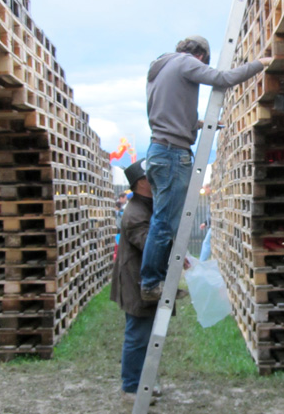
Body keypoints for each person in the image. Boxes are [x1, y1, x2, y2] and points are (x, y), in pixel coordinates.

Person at [140, 35, 272, 301]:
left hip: (159, 150)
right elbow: (222, 79)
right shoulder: (186, 63)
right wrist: (260, 63)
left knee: (165, 221)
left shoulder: (160, 68)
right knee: (165, 223)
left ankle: (158, 279)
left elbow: (171, 112)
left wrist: (203, 124)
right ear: (200, 56)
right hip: (172, 154)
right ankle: (151, 282)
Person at [110, 159, 159, 404]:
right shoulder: (136, 213)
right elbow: (150, 245)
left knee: (150, 335)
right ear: (142, 182)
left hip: (142, 280)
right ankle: (130, 388)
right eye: (152, 175)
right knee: (138, 335)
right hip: (135, 282)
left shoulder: (147, 206)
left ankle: (145, 381)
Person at [199, 184, 212, 262]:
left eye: (204, 189)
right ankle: (202, 261)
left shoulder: (213, 198)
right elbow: (209, 214)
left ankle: (202, 262)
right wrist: (205, 223)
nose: (204, 192)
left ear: (208, 188)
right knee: (207, 242)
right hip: (211, 225)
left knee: (206, 242)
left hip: (213, 226)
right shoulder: (209, 198)